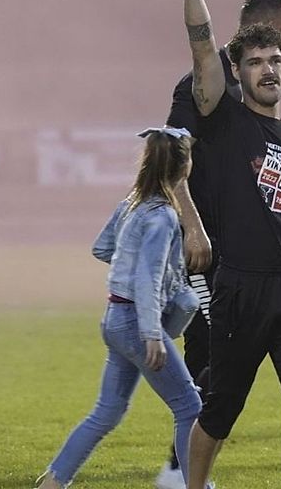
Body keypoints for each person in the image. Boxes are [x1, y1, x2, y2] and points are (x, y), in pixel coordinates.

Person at [169, 0, 281, 489]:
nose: (268, 69)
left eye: (275, 60)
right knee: (220, 410)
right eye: (255, 62)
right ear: (236, 71)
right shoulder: (224, 120)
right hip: (239, 288)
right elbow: (200, 44)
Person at [156, 0, 281, 489]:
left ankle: (184, 469)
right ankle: (178, 474)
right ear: (262, 25)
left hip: (250, 259)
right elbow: (172, 160)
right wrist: (193, 227)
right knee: (209, 355)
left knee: (223, 360)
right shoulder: (205, 83)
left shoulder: (261, 89)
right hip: (207, 250)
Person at [35, 127, 202, 489]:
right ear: (183, 165)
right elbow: (148, 277)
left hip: (114, 318)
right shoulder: (163, 217)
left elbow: (101, 248)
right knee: (190, 408)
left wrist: (127, 263)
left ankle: (52, 481)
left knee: (107, 412)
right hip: (137, 325)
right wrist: (152, 335)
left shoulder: (131, 204)